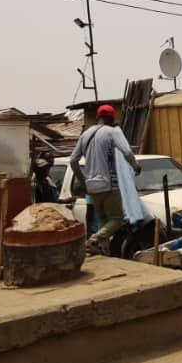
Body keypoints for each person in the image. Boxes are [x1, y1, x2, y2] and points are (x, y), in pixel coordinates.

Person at [68, 105, 141, 255]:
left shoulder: (85, 134)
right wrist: (136, 166)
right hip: (109, 184)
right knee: (118, 219)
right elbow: (127, 151)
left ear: (97, 118)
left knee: (103, 219)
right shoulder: (112, 132)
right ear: (113, 119)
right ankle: (93, 240)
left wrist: (83, 181)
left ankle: (103, 250)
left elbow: (73, 161)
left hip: (92, 186)